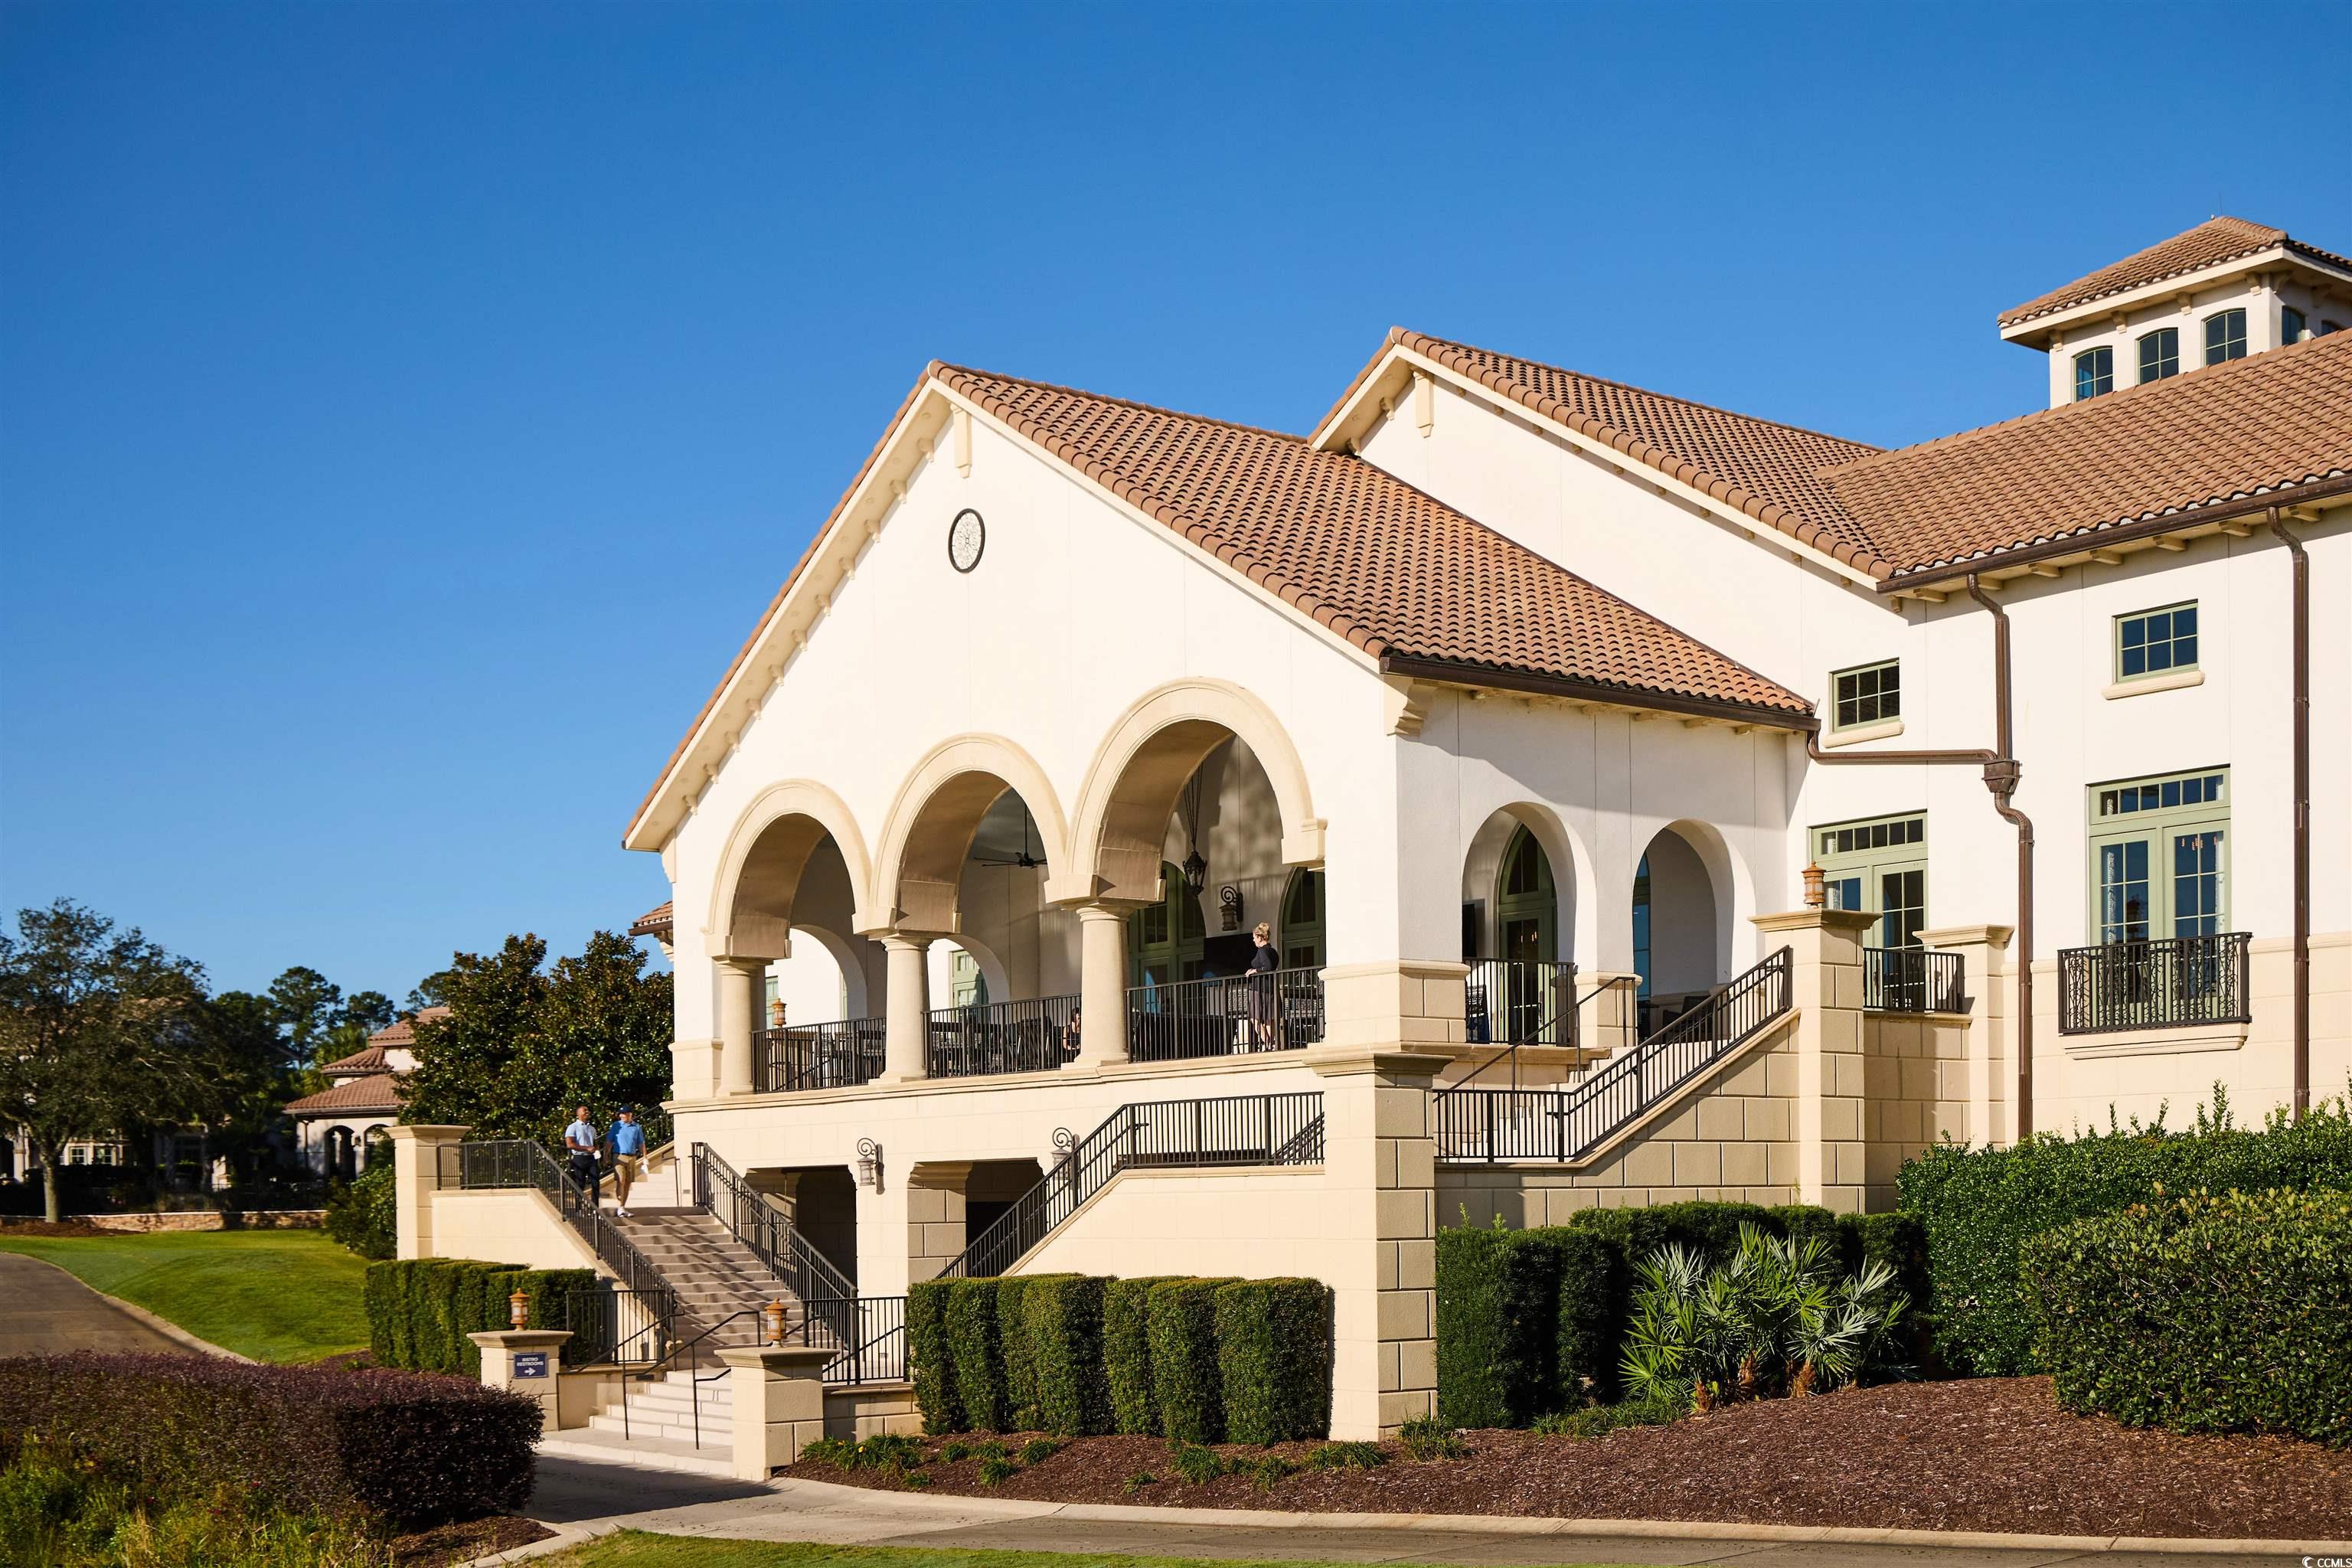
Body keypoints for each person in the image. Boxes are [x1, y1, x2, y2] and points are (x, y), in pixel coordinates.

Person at [1246, 921, 1281, 1050]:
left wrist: (1255, 971)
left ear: (1260, 938)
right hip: (1270, 988)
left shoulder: (1262, 951)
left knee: (1254, 1019)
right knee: (1268, 1019)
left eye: (1254, 937)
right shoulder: (1273, 951)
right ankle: (1271, 1044)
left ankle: (1267, 1043)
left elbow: (1268, 966)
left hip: (1259, 989)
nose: (1253, 940)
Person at [561, 1104, 601, 1213]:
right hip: (579, 1158)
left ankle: (595, 1208)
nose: (587, 1112)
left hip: (591, 1158)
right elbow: (570, 1144)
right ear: (578, 1114)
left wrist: (596, 1150)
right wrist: (586, 1148)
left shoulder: (592, 1128)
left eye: (587, 1110)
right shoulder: (573, 1127)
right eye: (584, 1111)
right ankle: (578, 1208)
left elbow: (596, 1142)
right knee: (580, 1183)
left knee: (596, 1182)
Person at [608, 1106, 646, 1218]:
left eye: (625, 1114)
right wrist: (606, 1156)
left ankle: (623, 1206)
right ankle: (620, 1206)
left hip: (632, 1157)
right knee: (621, 1180)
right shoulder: (616, 1126)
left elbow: (641, 1143)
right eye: (621, 1114)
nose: (622, 1116)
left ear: (630, 1114)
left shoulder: (637, 1127)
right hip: (619, 1156)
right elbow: (609, 1141)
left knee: (628, 1182)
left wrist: (645, 1157)